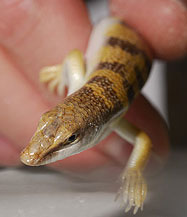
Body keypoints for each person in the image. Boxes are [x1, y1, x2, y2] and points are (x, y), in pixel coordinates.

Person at [0, 0, 186, 170]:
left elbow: (142, 140)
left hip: (125, 33)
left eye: (72, 138)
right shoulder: (85, 89)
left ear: (94, 128)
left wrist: (133, 171)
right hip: (122, 35)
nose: (31, 156)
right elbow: (73, 57)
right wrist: (61, 71)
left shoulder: (111, 116)